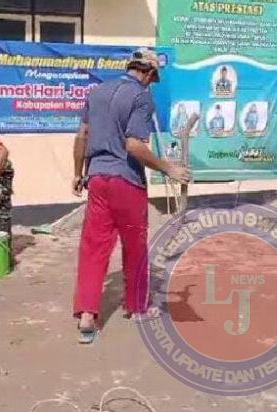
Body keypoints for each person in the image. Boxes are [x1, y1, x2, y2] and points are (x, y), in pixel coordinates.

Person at [71, 49, 190, 344]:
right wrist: (168, 169)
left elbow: (81, 136)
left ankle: (87, 315)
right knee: (134, 245)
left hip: (97, 178)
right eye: (153, 79)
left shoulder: (97, 91)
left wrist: (78, 174)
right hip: (126, 180)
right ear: (148, 73)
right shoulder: (141, 97)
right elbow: (134, 146)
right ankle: (136, 306)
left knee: (93, 247)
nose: (151, 84)